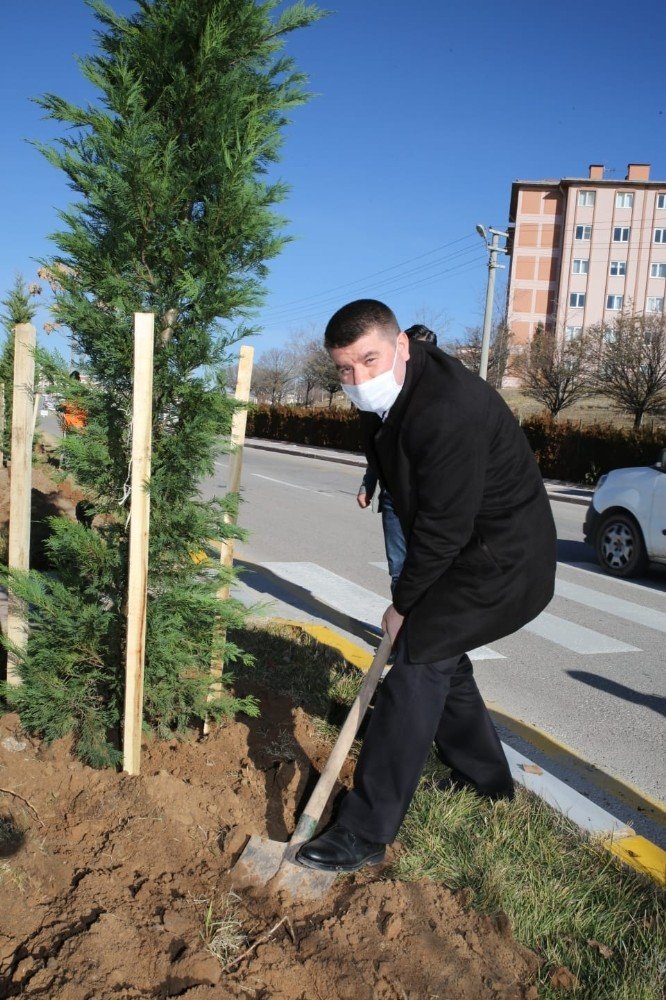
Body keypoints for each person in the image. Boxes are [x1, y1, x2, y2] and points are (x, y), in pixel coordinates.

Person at [296, 299, 557, 873]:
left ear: (402, 347)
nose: (359, 380)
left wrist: (403, 605)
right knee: (441, 656)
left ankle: (365, 830)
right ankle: (485, 779)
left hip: (502, 562)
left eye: (369, 360)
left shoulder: (448, 409)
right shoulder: (387, 394)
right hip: (463, 549)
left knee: (415, 657)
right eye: (345, 369)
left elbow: (443, 529)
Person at [357, 325, 438, 594]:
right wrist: (368, 484)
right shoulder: (388, 395)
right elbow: (379, 446)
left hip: (432, 500)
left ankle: (420, 629)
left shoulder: (443, 399)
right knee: (399, 569)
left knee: (430, 570)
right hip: (394, 497)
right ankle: (402, 628)